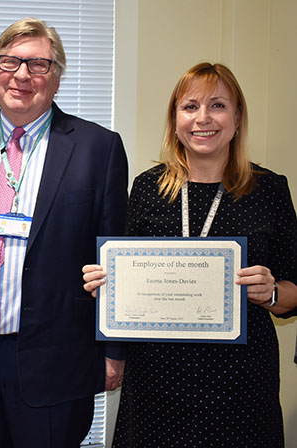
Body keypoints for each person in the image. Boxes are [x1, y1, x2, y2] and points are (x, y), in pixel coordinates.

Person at [83, 62, 297, 447]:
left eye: (217, 106)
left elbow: (294, 292)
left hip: (241, 384)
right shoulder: (148, 187)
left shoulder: (269, 189)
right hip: (155, 381)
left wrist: (273, 293)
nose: (203, 119)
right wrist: (108, 286)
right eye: (190, 106)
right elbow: (126, 277)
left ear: (237, 118)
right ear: (175, 119)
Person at [0, 17, 128, 447]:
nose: (21, 75)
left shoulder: (98, 148)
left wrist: (114, 352)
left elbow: (112, 253)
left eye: (38, 65)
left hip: (55, 362)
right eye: (10, 62)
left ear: (56, 78)